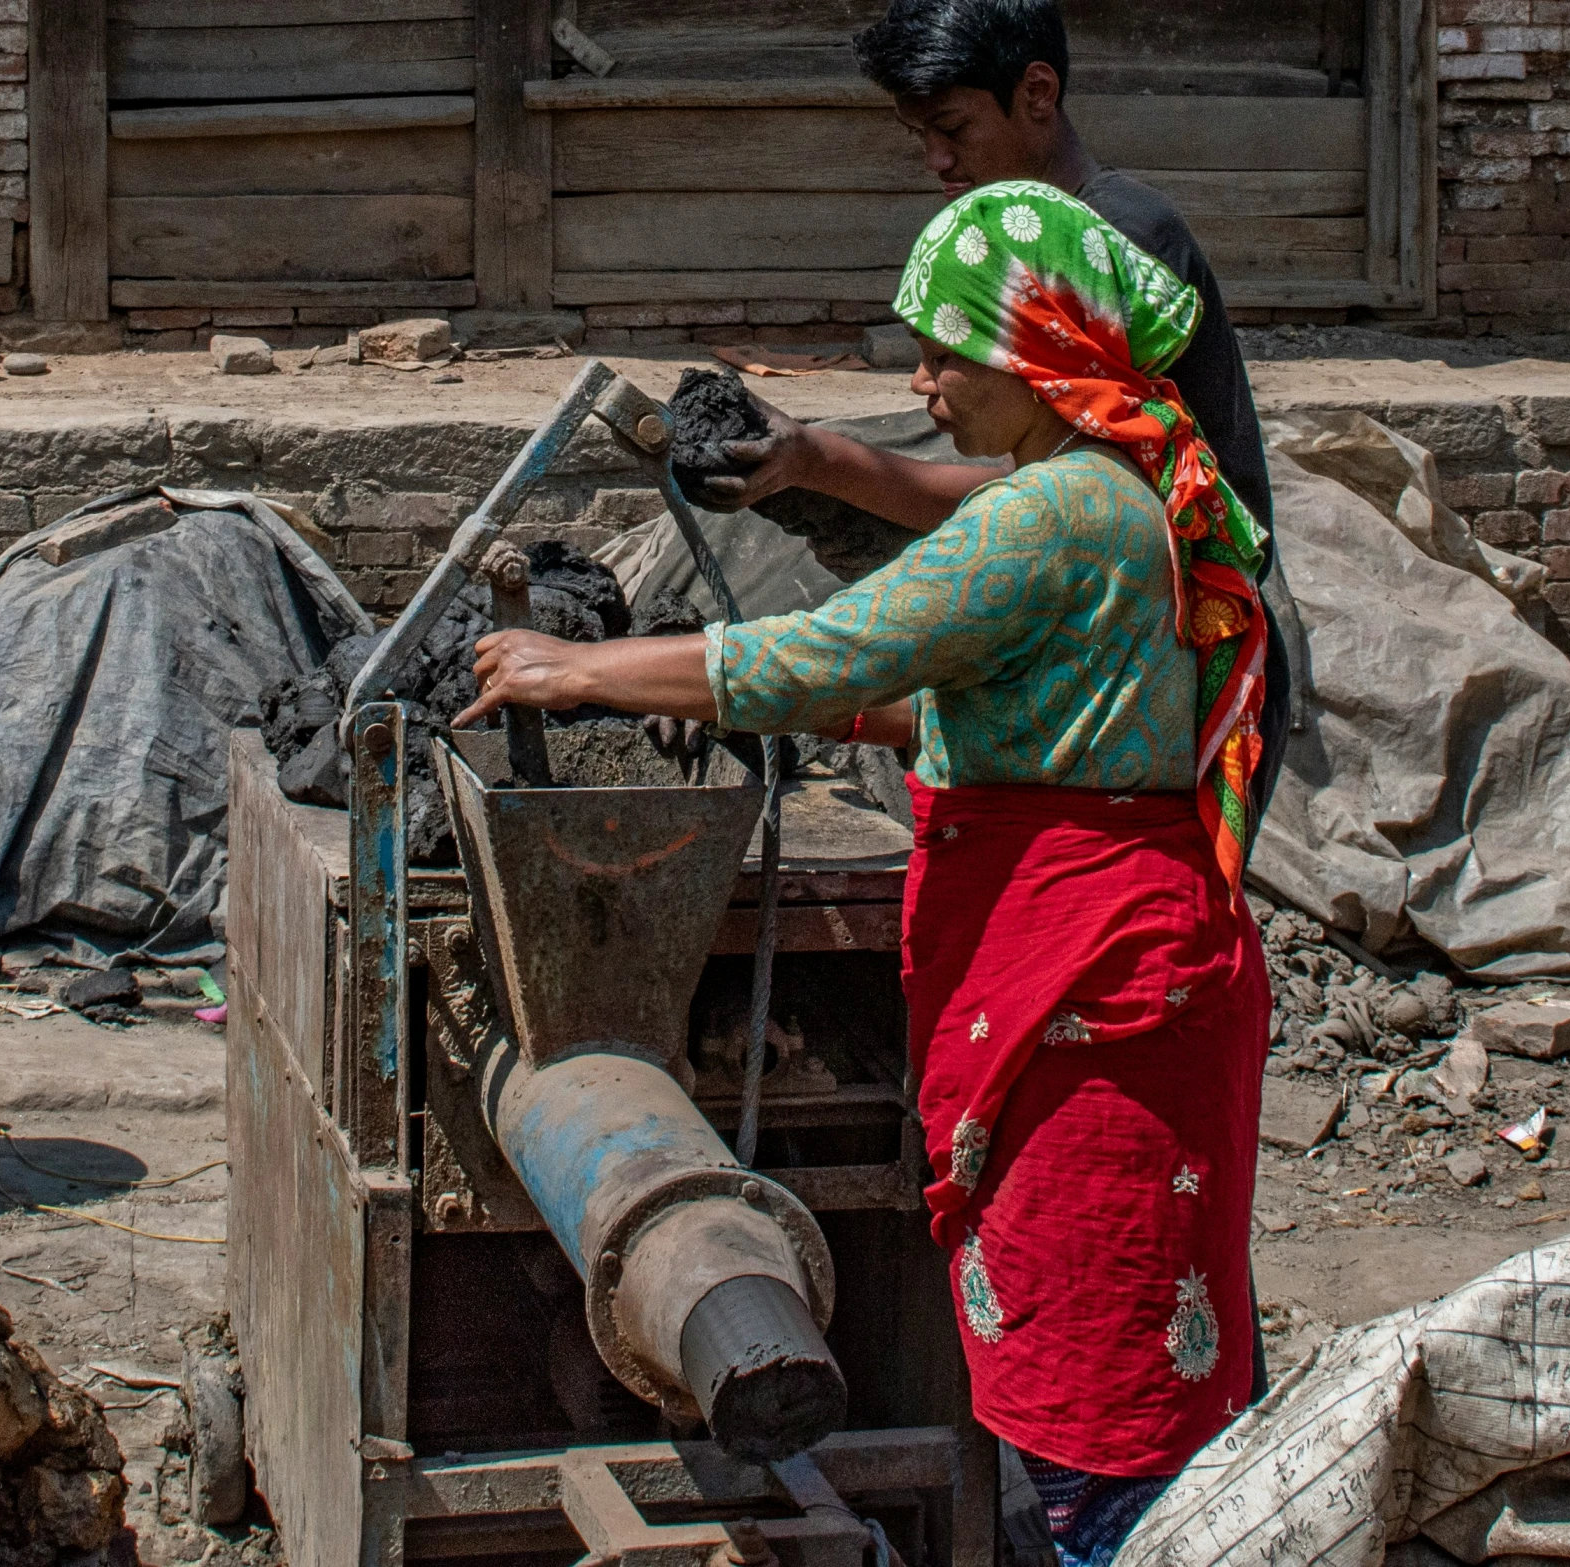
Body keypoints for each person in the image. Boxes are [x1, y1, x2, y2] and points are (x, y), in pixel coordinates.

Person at [459, 183, 1273, 1563]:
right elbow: (955, 708)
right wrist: (720, 693)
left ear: (1031, 362)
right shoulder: (1120, 489)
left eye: (943, 355)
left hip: (1090, 979)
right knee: (1140, 1345)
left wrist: (580, 667)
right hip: (1129, 953)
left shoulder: (1048, 520)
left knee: (1102, 1372)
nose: (923, 382)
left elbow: (825, 652)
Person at [691, 0, 1292, 823]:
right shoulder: (1030, 248)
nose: (937, 158)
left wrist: (820, 465)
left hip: (1176, 654)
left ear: (1037, 93)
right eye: (919, 136)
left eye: (953, 126)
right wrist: (811, 462)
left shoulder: (1111, 247)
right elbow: (1023, 502)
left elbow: (1065, 514)